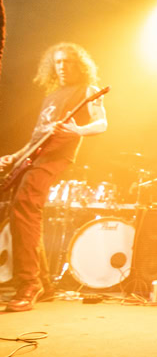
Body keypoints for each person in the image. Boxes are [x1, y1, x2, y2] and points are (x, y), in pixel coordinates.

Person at [0, 43, 107, 311]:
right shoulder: (52, 97)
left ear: (79, 65)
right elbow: (37, 139)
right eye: (58, 62)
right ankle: (44, 285)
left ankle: (29, 284)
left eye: (68, 61)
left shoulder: (87, 90)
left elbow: (102, 123)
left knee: (24, 206)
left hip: (56, 158)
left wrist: (77, 131)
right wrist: (14, 156)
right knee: (20, 214)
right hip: (33, 157)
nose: (62, 67)